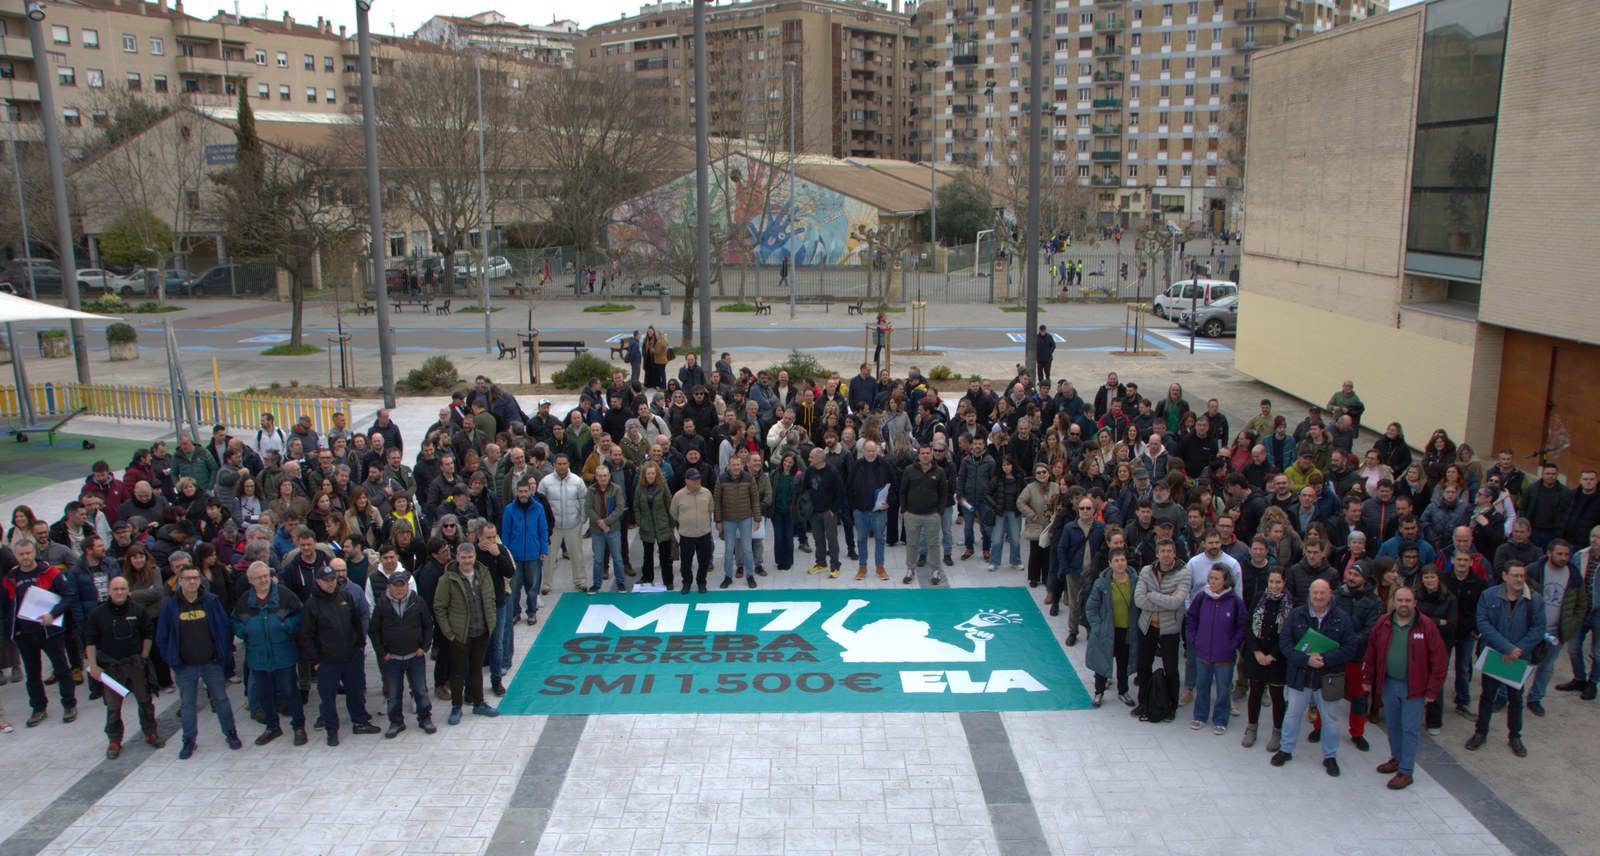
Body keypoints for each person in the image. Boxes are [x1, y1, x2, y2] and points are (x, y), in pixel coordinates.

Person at [1363, 586, 1447, 789]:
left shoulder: (1425, 626)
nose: (1403, 604)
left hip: (1414, 688)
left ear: (1414, 603)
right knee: (1393, 725)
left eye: (1407, 601)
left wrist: (1432, 690)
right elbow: (1372, 652)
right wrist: (1368, 678)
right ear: (1393, 602)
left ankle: (1406, 770)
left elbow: (1439, 660)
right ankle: (1397, 758)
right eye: (1399, 600)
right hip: (1390, 684)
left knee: (1409, 729)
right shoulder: (1383, 623)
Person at [1272, 578, 1358, 777]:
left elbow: (1350, 647)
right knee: (1292, 713)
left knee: (1329, 718)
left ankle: (1330, 756)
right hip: (1299, 675)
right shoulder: (1297, 615)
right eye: (1315, 593)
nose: (1319, 597)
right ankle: (1286, 749)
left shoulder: (1341, 618)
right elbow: (1285, 643)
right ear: (1309, 594)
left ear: (1330, 594)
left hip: (1327, 677)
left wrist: (1325, 659)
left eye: (1323, 593)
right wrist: (1305, 660)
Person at [157, 561, 242, 759]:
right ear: (180, 581)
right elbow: (162, 635)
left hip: (211, 663)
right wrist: (172, 660)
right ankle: (189, 740)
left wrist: (221, 655)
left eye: (195, 578)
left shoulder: (211, 601)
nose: (192, 582)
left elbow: (223, 629)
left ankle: (231, 733)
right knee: (187, 704)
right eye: (187, 579)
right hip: (185, 665)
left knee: (221, 699)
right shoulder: (171, 605)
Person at [1465, 561, 1543, 757]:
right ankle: (1481, 732)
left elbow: (1538, 629)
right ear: (1505, 575)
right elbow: (1483, 623)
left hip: (1518, 658)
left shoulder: (1535, 600)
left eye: (1522, 576)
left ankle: (1515, 736)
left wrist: (1519, 649)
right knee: (1487, 696)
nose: (1519, 580)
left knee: (1516, 699)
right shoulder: (1489, 595)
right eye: (1515, 575)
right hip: (1494, 655)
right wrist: (1507, 647)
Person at [298, 566, 380, 746]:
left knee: (356, 692)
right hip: (327, 661)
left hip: (351, 656)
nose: (330, 583)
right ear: (318, 582)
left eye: (333, 579)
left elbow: (356, 622)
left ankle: (360, 721)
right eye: (326, 580)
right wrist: (316, 662)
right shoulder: (311, 605)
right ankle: (332, 729)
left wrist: (360, 645)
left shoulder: (345, 596)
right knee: (328, 697)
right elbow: (306, 636)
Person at [83, 576, 163, 759]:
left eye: (122, 589)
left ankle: (151, 733)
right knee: (113, 707)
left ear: (128, 591)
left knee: (145, 701)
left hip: (135, 664)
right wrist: (93, 666)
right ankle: (114, 740)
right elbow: (90, 641)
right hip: (111, 668)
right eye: (115, 589)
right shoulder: (97, 614)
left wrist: (143, 658)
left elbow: (148, 635)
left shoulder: (138, 610)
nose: (119, 592)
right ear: (109, 591)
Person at [231, 561, 307, 747]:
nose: (264, 580)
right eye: (259, 577)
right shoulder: (244, 601)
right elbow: (234, 620)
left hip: (283, 655)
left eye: (266, 575)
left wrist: (286, 626)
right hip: (258, 657)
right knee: (264, 694)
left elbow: (300, 615)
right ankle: (272, 726)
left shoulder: (284, 595)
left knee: (290, 692)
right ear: (251, 580)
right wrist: (244, 630)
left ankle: (299, 727)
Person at [434, 543, 500, 724]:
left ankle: (479, 703)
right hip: (459, 634)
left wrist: (491, 622)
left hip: (481, 631)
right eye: (463, 557)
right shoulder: (447, 579)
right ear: (457, 558)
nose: (467, 561)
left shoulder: (483, 574)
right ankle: (457, 706)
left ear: (474, 557)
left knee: (477, 668)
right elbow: (439, 608)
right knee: (457, 671)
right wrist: (449, 632)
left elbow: (491, 597)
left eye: (470, 557)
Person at [368, 570, 436, 738]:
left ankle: (425, 718)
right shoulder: (382, 604)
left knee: (420, 690)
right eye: (396, 586)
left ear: (407, 585)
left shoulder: (417, 602)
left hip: (415, 656)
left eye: (402, 585)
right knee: (394, 693)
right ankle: (396, 722)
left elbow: (428, 625)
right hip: (393, 658)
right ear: (388, 587)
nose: (399, 589)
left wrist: (424, 647)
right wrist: (382, 652)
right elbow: (374, 631)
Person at [1132, 540, 1190, 721]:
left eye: (1169, 551)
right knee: (1143, 666)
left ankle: (1171, 706)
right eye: (1162, 551)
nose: (1166, 554)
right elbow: (1139, 600)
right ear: (1157, 554)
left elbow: (1177, 602)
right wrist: (1166, 598)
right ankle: (1144, 702)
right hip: (1147, 626)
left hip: (1170, 629)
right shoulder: (1146, 571)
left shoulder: (1184, 574)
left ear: (1174, 553)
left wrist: (1153, 595)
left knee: (1171, 669)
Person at [1241, 568, 1290, 751]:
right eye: (1271, 582)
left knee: (1277, 696)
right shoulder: (1259, 597)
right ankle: (1251, 728)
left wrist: (1273, 655)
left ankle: (1277, 732)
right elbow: (1249, 625)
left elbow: (1287, 633)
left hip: (1278, 656)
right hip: (1257, 654)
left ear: (1284, 582)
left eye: (1278, 582)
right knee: (1255, 692)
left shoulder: (1289, 603)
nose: (1274, 586)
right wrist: (1256, 651)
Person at [1085, 548, 1139, 708]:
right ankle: (1098, 692)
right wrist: (1098, 626)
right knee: (1102, 661)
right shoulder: (1102, 583)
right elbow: (1091, 608)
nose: (1120, 563)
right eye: (1116, 561)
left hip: (1127, 630)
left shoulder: (1135, 580)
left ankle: (1123, 691)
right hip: (1107, 630)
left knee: (1123, 662)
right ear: (1110, 563)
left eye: (1122, 560)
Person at [1558, 525, 1600, 700]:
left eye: (1598, 537)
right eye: (1593, 536)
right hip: (1581, 610)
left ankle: (1593, 682)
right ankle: (1579, 678)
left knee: (1598, 652)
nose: (1594, 540)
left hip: (1598, 613)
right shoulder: (1579, 556)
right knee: (1574, 647)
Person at [499, 478, 549, 626]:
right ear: (516, 492)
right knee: (514, 587)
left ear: (530, 491)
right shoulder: (509, 509)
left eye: (525, 491)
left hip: (534, 554)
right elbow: (505, 532)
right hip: (515, 556)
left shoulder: (538, 508)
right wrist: (506, 552)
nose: (523, 494)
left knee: (533, 587)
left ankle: (532, 612)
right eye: (520, 491)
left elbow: (543, 530)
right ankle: (515, 613)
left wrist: (544, 549)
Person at [714, 457, 761, 589]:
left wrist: (757, 519)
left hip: (745, 518)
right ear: (728, 465)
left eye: (738, 465)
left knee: (747, 549)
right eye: (733, 465)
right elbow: (717, 501)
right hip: (728, 520)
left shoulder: (749, 478)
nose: (736, 467)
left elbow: (755, 500)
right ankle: (728, 576)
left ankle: (750, 575)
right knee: (729, 550)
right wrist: (718, 520)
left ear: (742, 465)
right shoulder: (721, 479)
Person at [672, 469, 716, 593]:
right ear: (686, 480)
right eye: (693, 479)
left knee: (704, 561)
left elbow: (711, 509)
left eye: (698, 478)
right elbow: (674, 512)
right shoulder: (678, 495)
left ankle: (701, 582)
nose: (696, 481)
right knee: (686, 562)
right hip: (687, 535)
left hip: (704, 533)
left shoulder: (707, 493)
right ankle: (687, 582)